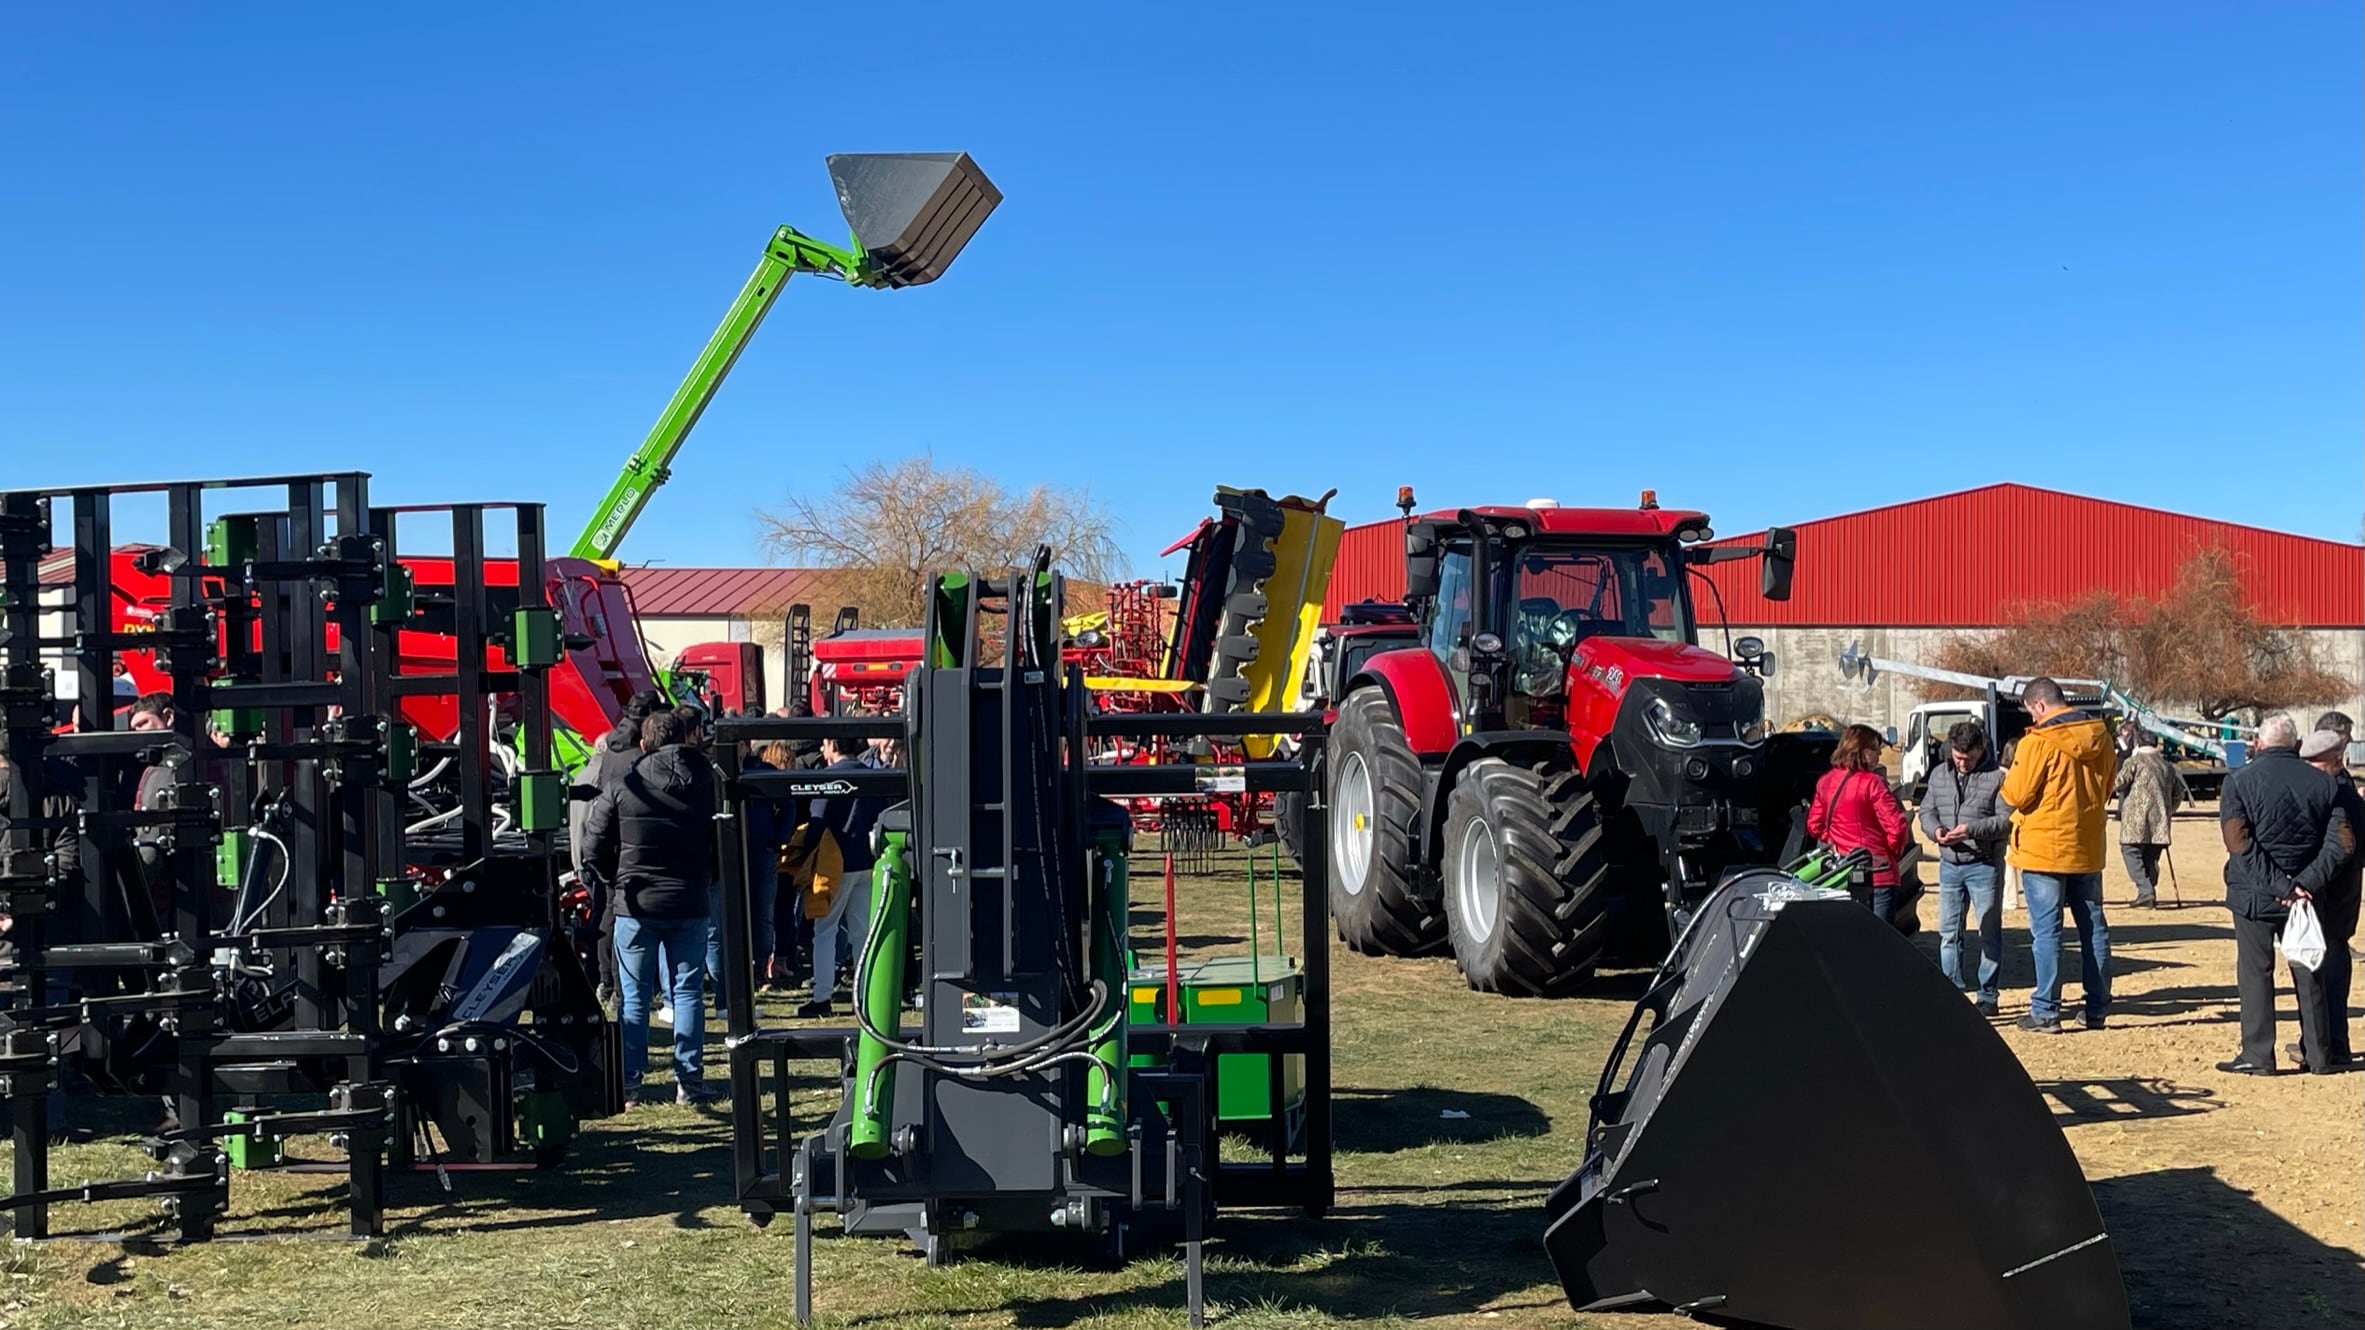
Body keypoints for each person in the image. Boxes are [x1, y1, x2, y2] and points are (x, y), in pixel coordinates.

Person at [579, 708, 721, 1106]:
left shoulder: (625, 784)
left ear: (644, 743)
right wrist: (710, 877)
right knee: (689, 990)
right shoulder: (708, 782)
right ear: (687, 737)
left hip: (636, 902)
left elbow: (592, 844)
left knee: (634, 995)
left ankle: (629, 1083)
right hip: (690, 897)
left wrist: (615, 879)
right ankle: (689, 1082)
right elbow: (725, 837)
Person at [2215, 714, 2351, 1075]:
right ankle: (2320, 1055)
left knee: (2255, 972)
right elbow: (2342, 843)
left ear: (2258, 744)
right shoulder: (2325, 783)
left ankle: (2259, 1055)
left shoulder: (2239, 782)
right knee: (2309, 971)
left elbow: (2238, 842)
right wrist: (2305, 883)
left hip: (2254, 895)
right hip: (2307, 897)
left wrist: (2280, 885)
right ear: (2296, 745)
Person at [1998, 677, 2117, 1034]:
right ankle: (2096, 1008)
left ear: (2038, 706)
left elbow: (2016, 794)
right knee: (2093, 927)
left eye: (2030, 713)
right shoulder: (2102, 737)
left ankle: (2046, 1010)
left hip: (2043, 851)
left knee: (2047, 933)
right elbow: (2109, 786)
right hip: (2087, 846)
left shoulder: (2037, 743)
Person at [573, 690, 665, 1003]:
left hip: (609, 839)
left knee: (607, 911)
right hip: (633, 840)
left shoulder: (611, 748)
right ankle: (624, 985)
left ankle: (605, 979)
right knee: (629, 916)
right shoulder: (640, 756)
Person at [1919, 720, 2010, 1015]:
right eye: (1958, 757)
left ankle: (1987, 995)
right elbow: (1926, 810)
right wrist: (1935, 831)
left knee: (1988, 931)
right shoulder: (1938, 775)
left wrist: (1971, 830)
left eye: (1968, 758)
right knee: (1949, 932)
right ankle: (1952, 991)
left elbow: (2005, 820)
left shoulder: (1998, 778)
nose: (1962, 763)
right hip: (1949, 863)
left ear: (1980, 750)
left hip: (1983, 865)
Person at [793, 735, 886, 1018]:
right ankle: (866, 995)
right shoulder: (873, 777)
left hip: (834, 864)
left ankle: (822, 996)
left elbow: (817, 821)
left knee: (825, 930)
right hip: (868, 861)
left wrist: (801, 855)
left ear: (834, 745)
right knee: (862, 932)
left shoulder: (828, 778)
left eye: (824, 743)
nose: (822, 749)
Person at [1807, 724, 1912, 923]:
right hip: (1878, 874)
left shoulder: (1825, 781)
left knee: (1849, 941)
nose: (1880, 754)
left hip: (1843, 873)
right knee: (1880, 941)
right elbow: (1897, 826)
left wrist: (1836, 842)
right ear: (1860, 750)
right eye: (1875, 748)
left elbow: (1814, 825)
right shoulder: (1872, 783)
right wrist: (1890, 853)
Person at [2299, 728, 2359, 1067]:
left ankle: (2332, 1045)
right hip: (2337, 893)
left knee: (2330, 971)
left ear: (2331, 761)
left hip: (2335, 895)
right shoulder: (2340, 787)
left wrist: (2312, 879)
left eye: (2315, 764)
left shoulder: (2340, 792)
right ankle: (2326, 1042)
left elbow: (2345, 847)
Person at [2113, 730, 2186, 909]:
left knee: (2130, 851)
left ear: (2137, 744)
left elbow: (2118, 782)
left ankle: (2146, 891)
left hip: (2136, 818)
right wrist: (2169, 809)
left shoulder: (2134, 762)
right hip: (2159, 820)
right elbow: (2179, 792)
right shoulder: (2166, 766)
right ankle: (2148, 891)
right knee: (2151, 856)